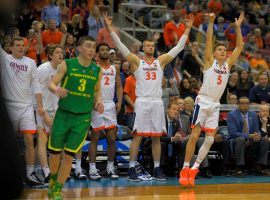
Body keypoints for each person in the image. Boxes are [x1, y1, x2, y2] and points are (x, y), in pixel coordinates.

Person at [103, 12, 194, 181]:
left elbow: (178, 48)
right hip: (143, 102)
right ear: (143, 48)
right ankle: (131, 168)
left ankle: (157, 168)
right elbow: (121, 46)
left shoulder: (161, 61)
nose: (150, 48)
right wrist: (109, 28)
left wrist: (187, 30)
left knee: (156, 138)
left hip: (157, 103)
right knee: (138, 135)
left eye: (152, 45)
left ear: (155, 47)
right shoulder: (138, 62)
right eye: (147, 46)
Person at [179, 12, 244, 187]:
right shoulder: (209, 62)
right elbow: (208, 41)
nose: (223, 51)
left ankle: (195, 168)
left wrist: (238, 29)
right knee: (194, 135)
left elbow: (239, 47)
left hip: (215, 105)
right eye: (220, 50)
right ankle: (185, 168)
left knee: (209, 139)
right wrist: (211, 23)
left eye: (224, 50)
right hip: (203, 101)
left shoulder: (228, 65)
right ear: (215, 53)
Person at [47, 36, 104, 199]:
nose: (92, 49)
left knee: (69, 155)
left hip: (82, 118)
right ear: (79, 48)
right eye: (88, 46)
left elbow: (96, 92)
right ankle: (52, 181)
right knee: (55, 153)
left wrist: (98, 103)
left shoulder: (97, 70)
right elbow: (52, 83)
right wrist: (56, 90)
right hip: (63, 115)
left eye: (94, 47)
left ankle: (57, 189)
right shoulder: (68, 64)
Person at [0, 37, 46, 186]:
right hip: (9, 105)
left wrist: (39, 106)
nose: (21, 47)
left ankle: (30, 173)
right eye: (17, 45)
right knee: (8, 142)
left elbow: (36, 86)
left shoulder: (31, 62)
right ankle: (8, 174)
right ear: (10, 48)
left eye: (23, 45)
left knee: (29, 140)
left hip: (26, 106)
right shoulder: (5, 59)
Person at [88, 43, 123, 180]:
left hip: (110, 105)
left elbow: (119, 86)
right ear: (97, 53)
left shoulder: (115, 68)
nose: (105, 51)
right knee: (95, 137)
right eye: (102, 49)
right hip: (97, 104)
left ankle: (110, 167)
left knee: (112, 138)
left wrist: (119, 102)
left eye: (107, 49)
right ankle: (92, 169)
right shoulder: (94, 68)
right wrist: (93, 102)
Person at [35, 45, 63, 185]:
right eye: (57, 52)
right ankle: (45, 172)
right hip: (42, 108)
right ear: (50, 55)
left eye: (61, 52)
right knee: (42, 139)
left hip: (56, 110)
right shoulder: (43, 69)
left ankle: (52, 170)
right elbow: (36, 91)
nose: (60, 54)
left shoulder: (61, 69)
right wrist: (44, 113)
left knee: (56, 142)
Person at [227, 97, 269, 176]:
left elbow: (256, 130)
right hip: (236, 139)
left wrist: (257, 136)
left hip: (251, 139)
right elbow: (233, 133)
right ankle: (239, 167)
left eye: (247, 103)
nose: (245, 105)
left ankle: (260, 166)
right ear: (238, 105)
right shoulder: (231, 114)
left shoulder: (253, 114)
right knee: (241, 139)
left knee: (265, 140)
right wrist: (249, 135)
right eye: (242, 103)